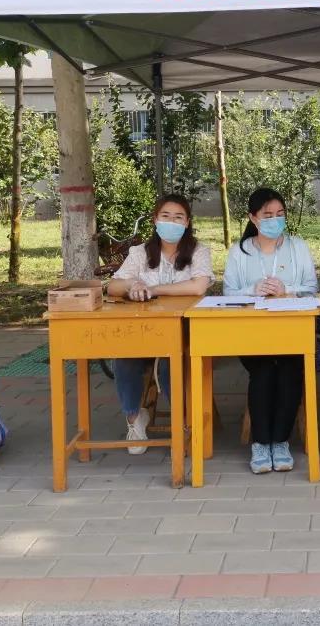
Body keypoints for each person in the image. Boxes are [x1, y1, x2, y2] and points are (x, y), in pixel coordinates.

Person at [106, 194, 213, 454]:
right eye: (166, 216)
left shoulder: (198, 251)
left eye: (178, 217)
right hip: (144, 331)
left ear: (187, 222)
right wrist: (133, 285)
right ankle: (134, 419)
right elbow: (113, 286)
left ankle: (183, 422)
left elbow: (198, 286)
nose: (171, 222)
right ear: (155, 220)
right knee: (124, 357)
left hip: (185, 332)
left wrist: (153, 289)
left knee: (169, 363)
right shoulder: (140, 253)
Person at [223, 187, 317, 474]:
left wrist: (287, 289)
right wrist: (252, 290)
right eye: (267, 215)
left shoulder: (297, 247)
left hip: (292, 332)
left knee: (289, 370)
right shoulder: (240, 252)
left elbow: (312, 288)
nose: (275, 220)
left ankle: (281, 441)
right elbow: (228, 293)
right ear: (253, 218)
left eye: (280, 214)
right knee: (263, 371)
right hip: (252, 334)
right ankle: (261, 443)